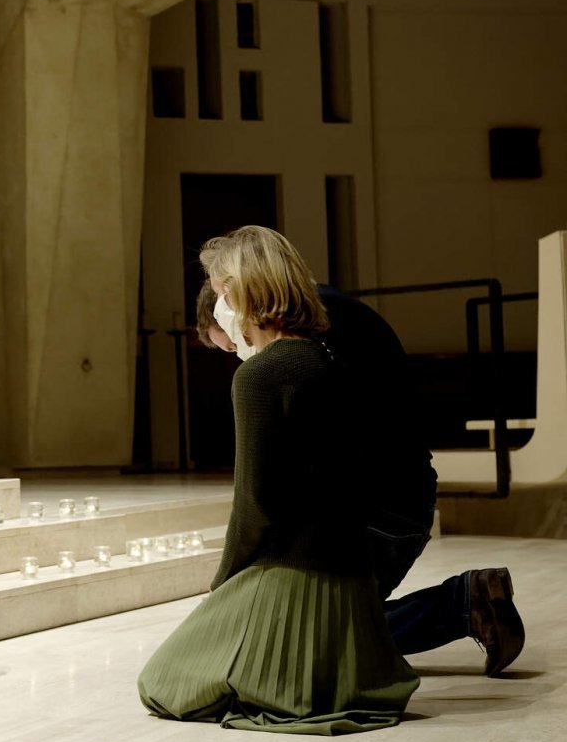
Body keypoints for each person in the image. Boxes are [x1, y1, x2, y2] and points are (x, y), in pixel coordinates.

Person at [138, 227, 420, 734]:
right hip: (350, 575)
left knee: (163, 681)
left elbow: (255, 504)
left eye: (221, 292)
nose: (218, 304)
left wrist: (223, 583)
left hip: (296, 571)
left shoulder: (259, 375)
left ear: (246, 291)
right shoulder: (328, 360)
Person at [196, 252, 525, 677]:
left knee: (298, 647)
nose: (240, 353)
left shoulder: (300, 343)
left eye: (231, 342)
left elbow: (268, 490)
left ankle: (462, 604)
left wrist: (226, 584)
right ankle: (464, 602)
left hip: (378, 512)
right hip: (393, 499)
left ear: (236, 300)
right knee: (297, 635)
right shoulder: (318, 317)